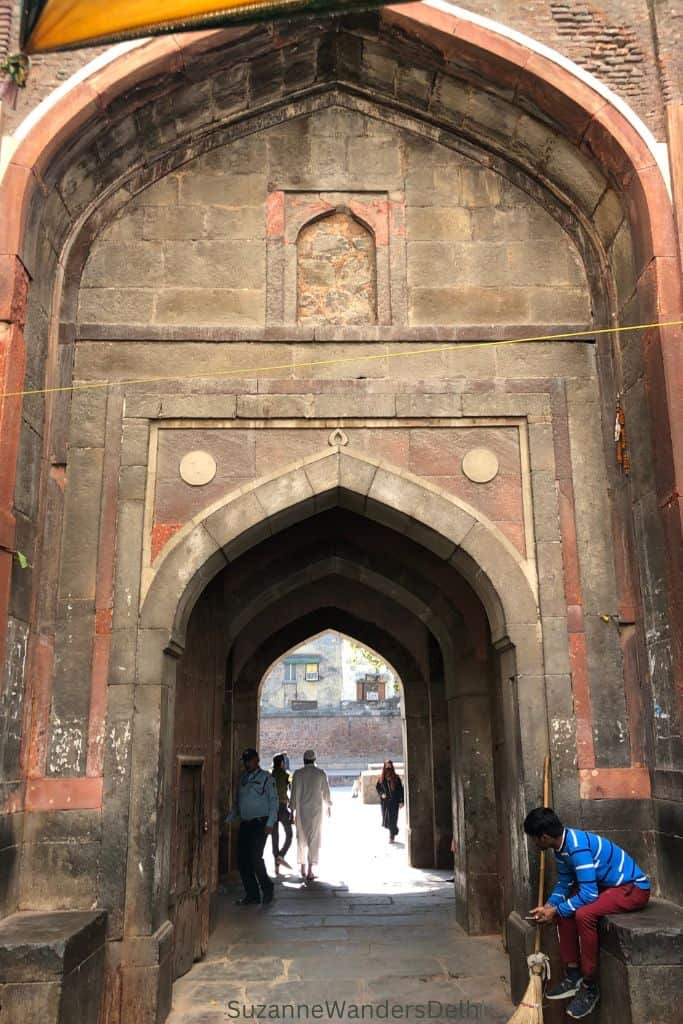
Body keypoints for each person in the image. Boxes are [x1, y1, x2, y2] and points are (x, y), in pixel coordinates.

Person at [524, 807, 650, 1020]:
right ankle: (573, 974)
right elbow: (565, 883)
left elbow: (589, 895)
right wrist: (549, 906)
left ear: (544, 837)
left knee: (584, 914)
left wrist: (556, 910)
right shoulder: (560, 847)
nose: (535, 844)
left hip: (633, 889)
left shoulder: (577, 847)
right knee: (565, 907)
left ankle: (589, 986)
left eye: (535, 840)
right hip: (607, 887)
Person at [225, 748, 278, 906]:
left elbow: (274, 801)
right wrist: (228, 820)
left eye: (250, 760)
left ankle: (267, 888)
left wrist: (270, 823)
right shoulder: (243, 779)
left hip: (260, 823)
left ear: (257, 760)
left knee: (255, 858)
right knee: (242, 860)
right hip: (245, 824)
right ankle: (252, 894)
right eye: (245, 761)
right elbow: (238, 803)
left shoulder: (266, 778)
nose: (248, 763)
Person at [290, 749, 332, 882]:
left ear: (304, 760)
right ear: (314, 760)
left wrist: (292, 811)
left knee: (301, 837)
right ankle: (309, 870)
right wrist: (328, 806)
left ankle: (302, 867)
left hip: (302, 810)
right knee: (313, 838)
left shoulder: (297, 774)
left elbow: (293, 794)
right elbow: (326, 791)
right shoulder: (320, 773)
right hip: (316, 811)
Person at [271, 753, 293, 874]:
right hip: (283, 807)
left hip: (272, 809)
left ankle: (276, 863)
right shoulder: (286, 775)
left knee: (275, 836)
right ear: (281, 763)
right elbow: (291, 788)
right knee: (289, 834)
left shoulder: (270, 776)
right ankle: (281, 855)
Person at [376, 759, 404, 843]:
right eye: (386, 765)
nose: (388, 767)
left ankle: (392, 836)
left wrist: (401, 801)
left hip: (394, 802)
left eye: (389, 765)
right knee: (387, 820)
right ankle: (394, 829)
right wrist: (382, 794)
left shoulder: (396, 778)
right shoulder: (381, 779)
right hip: (385, 803)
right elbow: (378, 788)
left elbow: (400, 790)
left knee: (393, 818)